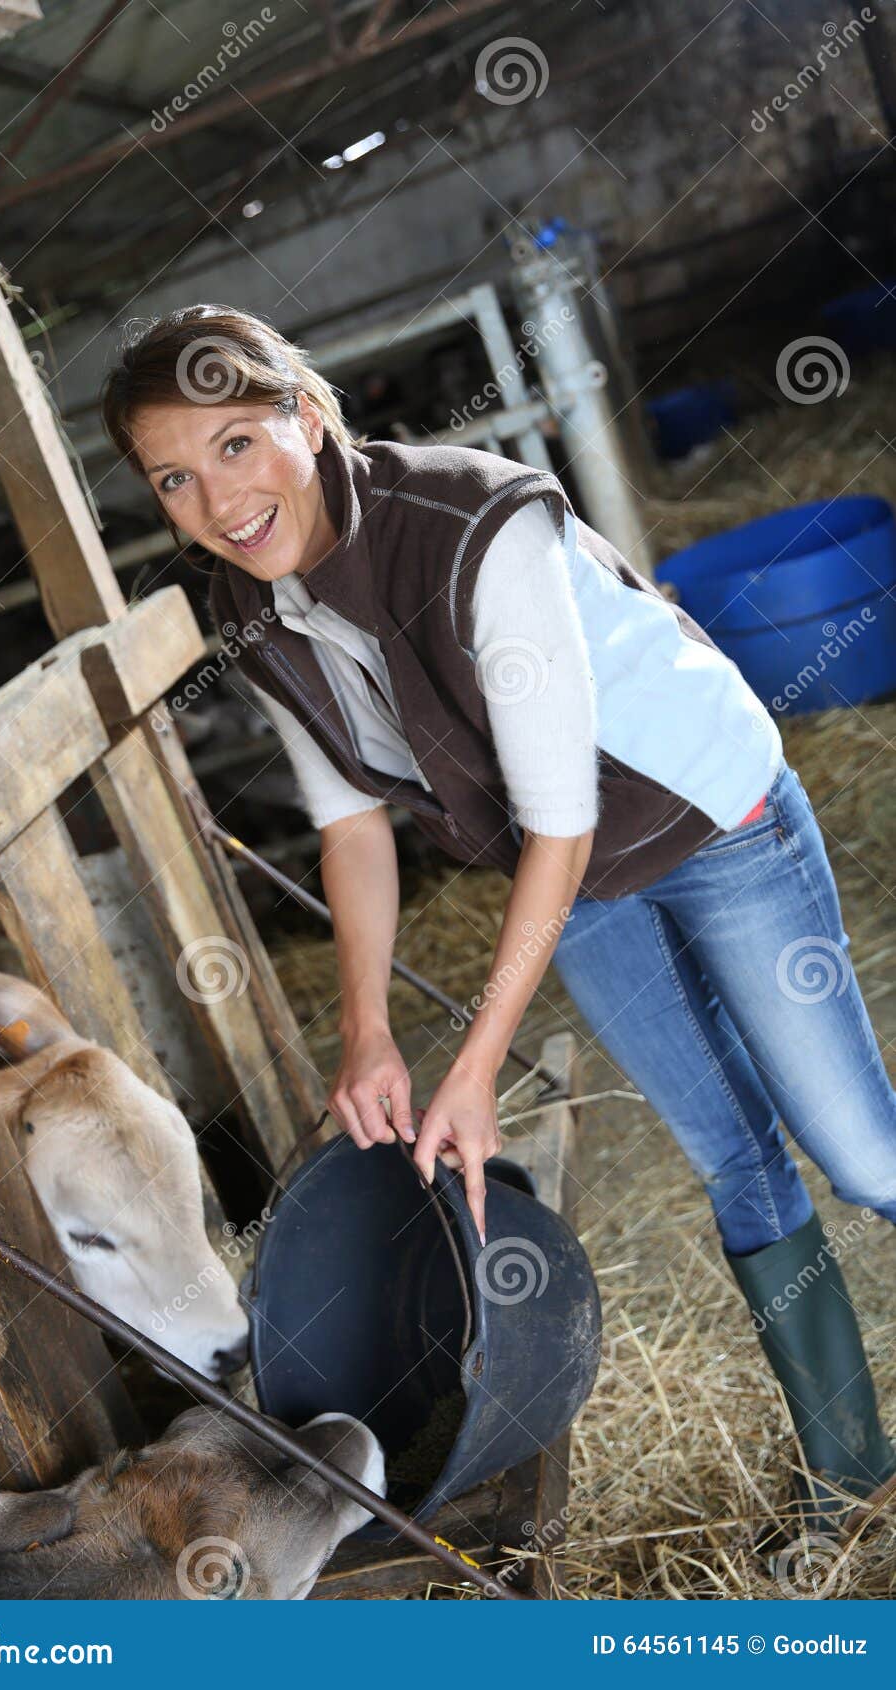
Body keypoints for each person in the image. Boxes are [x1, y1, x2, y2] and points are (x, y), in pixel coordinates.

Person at [101, 302, 896, 1551]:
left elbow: (559, 820)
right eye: (175, 479)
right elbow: (354, 824)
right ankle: (851, 1470)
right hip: (570, 877)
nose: (217, 499)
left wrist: (469, 1066)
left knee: (859, 1156)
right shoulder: (246, 609)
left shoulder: (473, 524)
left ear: (304, 417)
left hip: (700, 811)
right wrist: (366, 1031)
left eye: (238, 445)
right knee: (732, 1158)